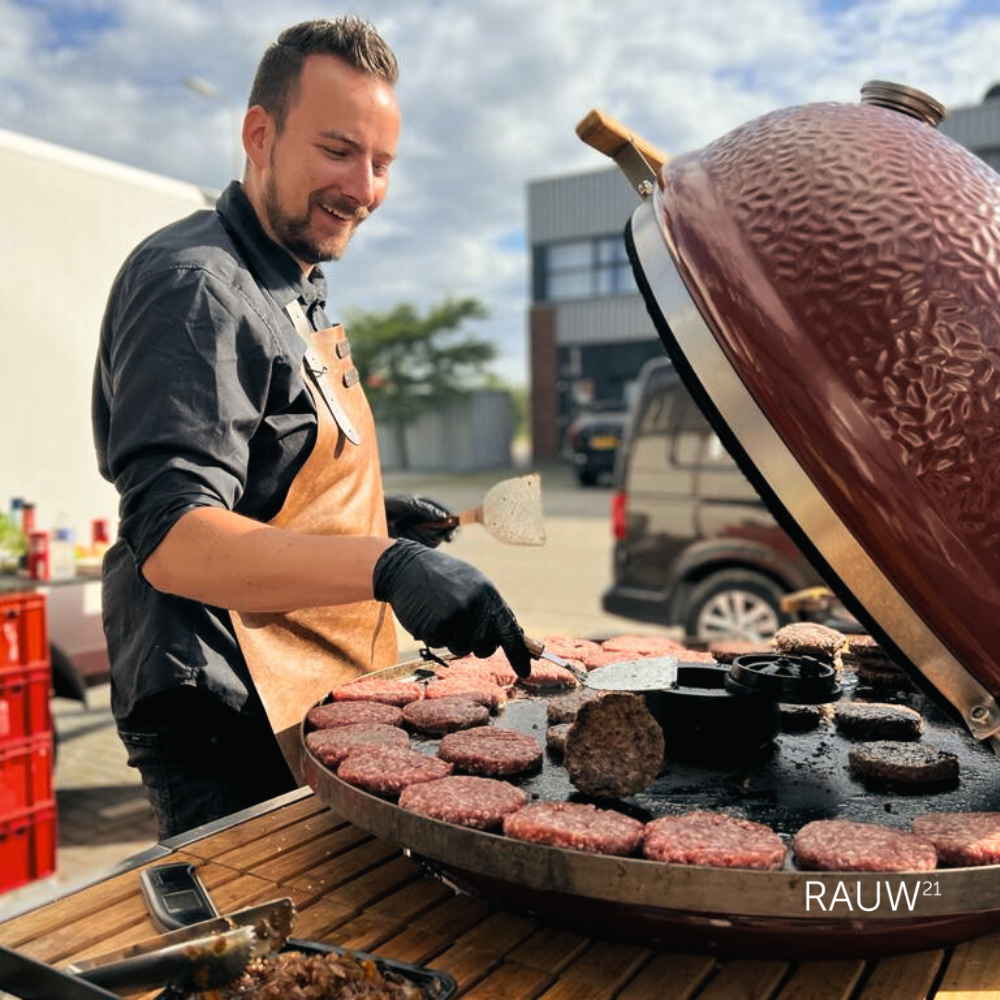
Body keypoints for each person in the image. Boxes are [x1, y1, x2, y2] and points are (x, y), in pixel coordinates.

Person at [92, 16, 531, 840]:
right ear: (260, 134)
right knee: (259, 959)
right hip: (226, 705)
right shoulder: (198, 286)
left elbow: (265, 476)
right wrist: (385, 565)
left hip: (304, 677)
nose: (363, 188)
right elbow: (177, 538)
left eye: (381, 162)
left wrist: (371, 519)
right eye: (338, 150)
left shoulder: (295, 277)